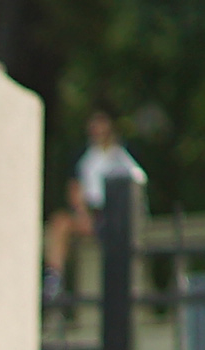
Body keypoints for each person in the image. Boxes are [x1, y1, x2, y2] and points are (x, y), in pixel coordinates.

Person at [46, 109, 143, 297]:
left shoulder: (124, 154)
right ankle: (53, 279)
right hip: (91, 212)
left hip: (116, 211)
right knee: (59, 223)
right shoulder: (82, 155)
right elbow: (75, 187)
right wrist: (82, 214)